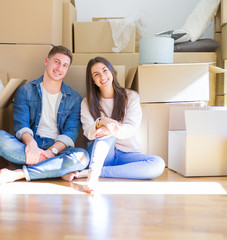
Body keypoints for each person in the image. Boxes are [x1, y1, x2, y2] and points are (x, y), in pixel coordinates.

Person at [0, 45, 89, 184]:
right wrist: (32, 146)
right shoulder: (25, 90)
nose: (59, 68)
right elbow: (21, 125)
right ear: (46, 61)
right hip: (28, 145)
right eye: (56, 62)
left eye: (65, 65)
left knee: (83, 156)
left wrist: (51, 152)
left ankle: (21, 173)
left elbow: (70, 132)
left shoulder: (74, 98)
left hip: (57, 148)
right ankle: (55, 169)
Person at [67, 56, 165, 193]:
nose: (102, 76)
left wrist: (110, 126)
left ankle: (95, 172)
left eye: (105, 70)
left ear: (111, 72)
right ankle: (93, 175)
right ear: (93, 81)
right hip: (102, 155)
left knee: (158, 164)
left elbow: (131, 128)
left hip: (127, 154)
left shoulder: (131, 97)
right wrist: (102, 123)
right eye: (96, 74)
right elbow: (89, 132)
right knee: (106, 131)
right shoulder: (87, 102)